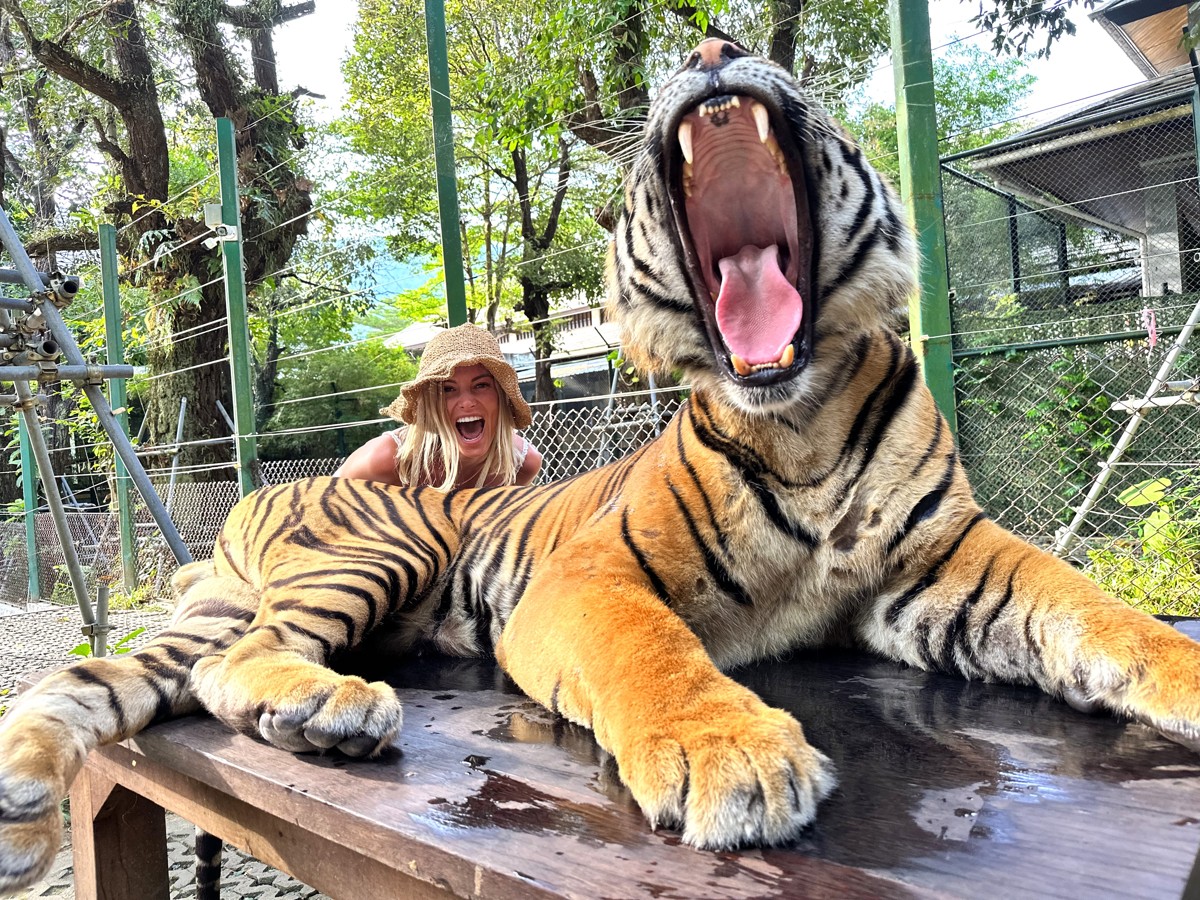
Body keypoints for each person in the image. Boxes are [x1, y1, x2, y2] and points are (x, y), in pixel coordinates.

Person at [335, 324, 542, 489]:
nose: (467, 402)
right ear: (430, 404)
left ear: (501, 396)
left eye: (481, 385)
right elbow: (316, 505)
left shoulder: (522, 464)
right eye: (448, 390)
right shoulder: (387, 458)